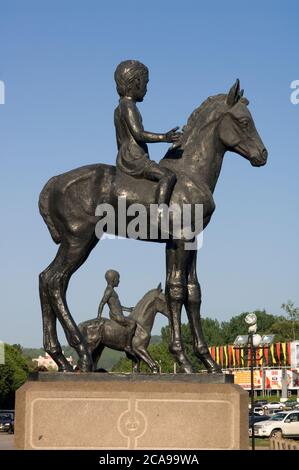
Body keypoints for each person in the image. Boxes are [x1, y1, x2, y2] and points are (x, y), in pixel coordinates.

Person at [114, 60, 182, 210]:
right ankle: (160, 216)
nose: (146, 88)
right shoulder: (128, 106)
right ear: (137, 82)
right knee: (168, 176)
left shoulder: (120, 107)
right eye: (146, 83)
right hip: (134, 158)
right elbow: (138, 134)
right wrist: (164, 137)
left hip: (127, 156)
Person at [97, 269, 136, 355]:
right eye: (118, 279)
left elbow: (118, 307)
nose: (119, 281)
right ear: (113, 280)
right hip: (116, 316)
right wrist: (98, 316)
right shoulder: (109, 291)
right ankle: (128, 346)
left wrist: (129, 309)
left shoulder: (112, 291)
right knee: (132, 323)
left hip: (118, 314)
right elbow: (102, 303)